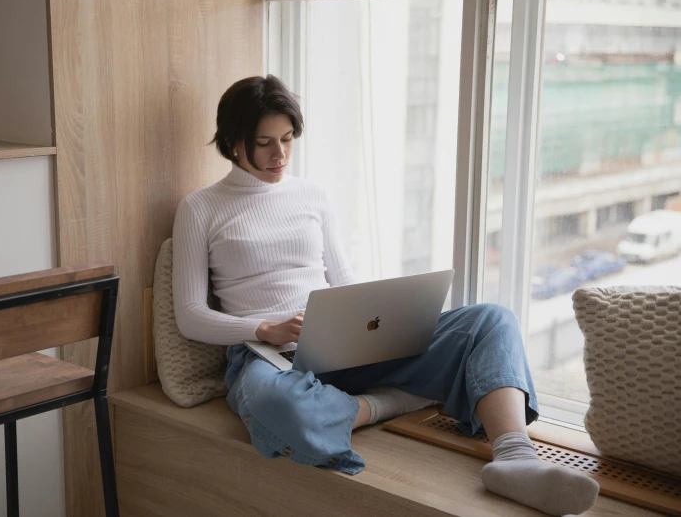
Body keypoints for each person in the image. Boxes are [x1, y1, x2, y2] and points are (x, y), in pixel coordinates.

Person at [172, 75, 599, 516]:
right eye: (264, 142)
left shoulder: (312, 195)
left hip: (338, 346)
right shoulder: (200, 208)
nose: (279, 154)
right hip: (265, 360)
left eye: (287, 138)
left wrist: (373, 320)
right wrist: (264, 327)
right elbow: (189, 314)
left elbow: (344, 279)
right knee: (277, 407)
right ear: (232, 141)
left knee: (491, 319)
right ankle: (390, 401)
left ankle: (515, 458)